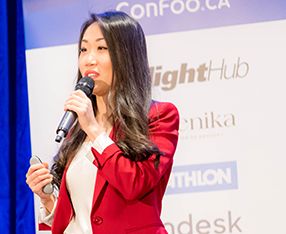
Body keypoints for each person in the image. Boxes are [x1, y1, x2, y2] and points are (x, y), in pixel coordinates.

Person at [26, 11, 179, 234]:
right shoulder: (78, 129)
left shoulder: (158, 116)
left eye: (102, 48)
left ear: (127, 56)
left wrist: (94, 130)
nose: (89, 59)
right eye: (84, 49)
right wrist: (48, 198)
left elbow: (135, 184)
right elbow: (84, 216)